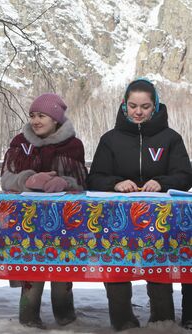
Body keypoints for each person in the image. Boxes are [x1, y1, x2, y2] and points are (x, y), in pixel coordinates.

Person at [87, 78, 192, 331]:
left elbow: (185, 176)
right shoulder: (110, 139)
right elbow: (94, 178)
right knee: (117, 267)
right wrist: (116, 183)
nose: (138, 112)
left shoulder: (171, 138)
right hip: (117, 222)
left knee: (160, 264)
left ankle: (162, 320)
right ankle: (123, 322)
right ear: (125, 105)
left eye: (145, 106)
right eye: (133, 105)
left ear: (154, 106)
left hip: (162, 223)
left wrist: (162, 182)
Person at [0, 93, 87, 328]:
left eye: (42, 116)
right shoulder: (21, 143)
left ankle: (64, 312)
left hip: (63, 220)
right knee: (31, 264)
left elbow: (82, 182)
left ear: (56, 119)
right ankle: (28, 315)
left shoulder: (73, 145)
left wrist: (66, 183)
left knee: (63, 265)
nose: (36, 121)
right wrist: (27, 180)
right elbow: (6, 179)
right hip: (27, 220)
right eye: (32, 115)